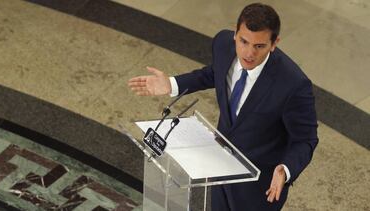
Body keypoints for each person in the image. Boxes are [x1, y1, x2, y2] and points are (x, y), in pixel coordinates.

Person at [128, 3, 318, 211]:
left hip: (258, 190)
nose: (249, 53)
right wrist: (172, 84)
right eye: (244, 41)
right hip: (219, 170)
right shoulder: (222, 44)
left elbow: (305, 139)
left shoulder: (293, 85)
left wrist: (285, 169)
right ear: (235, 34)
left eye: (259, 46)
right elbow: (214, 74)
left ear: (274, 44)